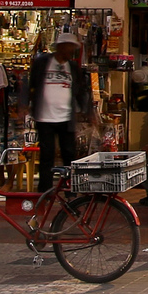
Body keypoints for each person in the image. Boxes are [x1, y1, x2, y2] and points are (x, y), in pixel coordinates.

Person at [28, 28, 94, 182]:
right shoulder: (42, 62)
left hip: (66, 118)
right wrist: (26, 104)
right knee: (47, 155)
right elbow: (31, 84)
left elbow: (80, 90)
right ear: (61, 47)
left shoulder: (72, 67)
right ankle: (45, 190)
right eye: (69, 47)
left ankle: (70, 188)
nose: (71, 51)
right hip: (45, 118)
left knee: (68, 154)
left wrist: (88, 111)